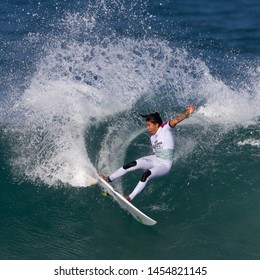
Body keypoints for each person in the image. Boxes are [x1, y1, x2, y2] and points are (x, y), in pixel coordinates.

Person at [101, 104, 195, 202]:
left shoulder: (165, 128)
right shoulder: (152, 138)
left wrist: (188, 112)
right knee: (130, 165)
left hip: (165, 164)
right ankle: (109, 179)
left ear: (156, 125)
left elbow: (176, 120)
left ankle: (129, 197)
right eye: (147, 126)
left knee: (146, 174)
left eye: (149, 125)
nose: (148, 128)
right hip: (155, 158)